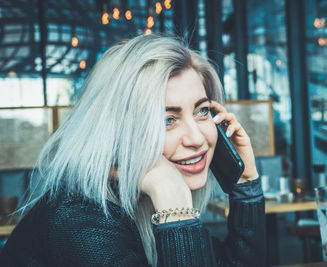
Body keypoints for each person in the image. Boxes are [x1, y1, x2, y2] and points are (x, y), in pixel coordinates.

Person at [0, 34, 266, 266]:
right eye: (167, 120)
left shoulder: (142, 196)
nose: (197, 138)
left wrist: (246, 185)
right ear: (119, 132)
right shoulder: (79, 218)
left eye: (202, 111)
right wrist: (173, 203)